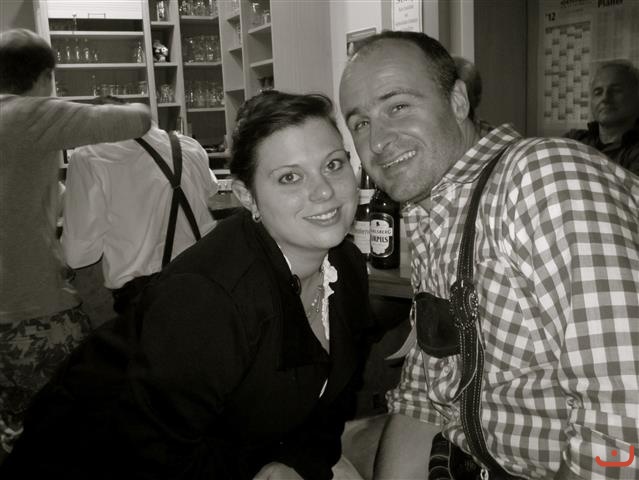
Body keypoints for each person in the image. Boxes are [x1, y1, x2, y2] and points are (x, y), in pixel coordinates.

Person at [2, 90, 377, 480]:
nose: (324, 190)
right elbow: (154, 452)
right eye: (290, 177)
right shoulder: (208, 298)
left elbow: (331, 404)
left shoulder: (346, 267)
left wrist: (296, 463)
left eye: (333, 164)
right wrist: (262, 468)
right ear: (247, 196)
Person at [339, 30, 639, 480]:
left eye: (397, 106)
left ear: (459, 101)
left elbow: (624, 419)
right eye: (360, 123)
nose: (377, 141)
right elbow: (425, 395)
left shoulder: (543, 177)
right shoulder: (433, 209)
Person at [0, 28, 151, 462]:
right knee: (80, 418)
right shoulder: (31, 113)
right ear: (46, 76)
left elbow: (22, 195)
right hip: (32, 310)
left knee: (15, 430)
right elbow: (137, 119)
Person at [61, 96, 218, 315]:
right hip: (207, 281)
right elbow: (211, 188)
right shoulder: (187, 145)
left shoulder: (89, 157)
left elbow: (78, 254)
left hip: (147, 297)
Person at [565, 60, 639, 176]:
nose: (605, 98)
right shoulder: (574, 139)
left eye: (616, 90)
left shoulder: (635, 151)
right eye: (598, 92)